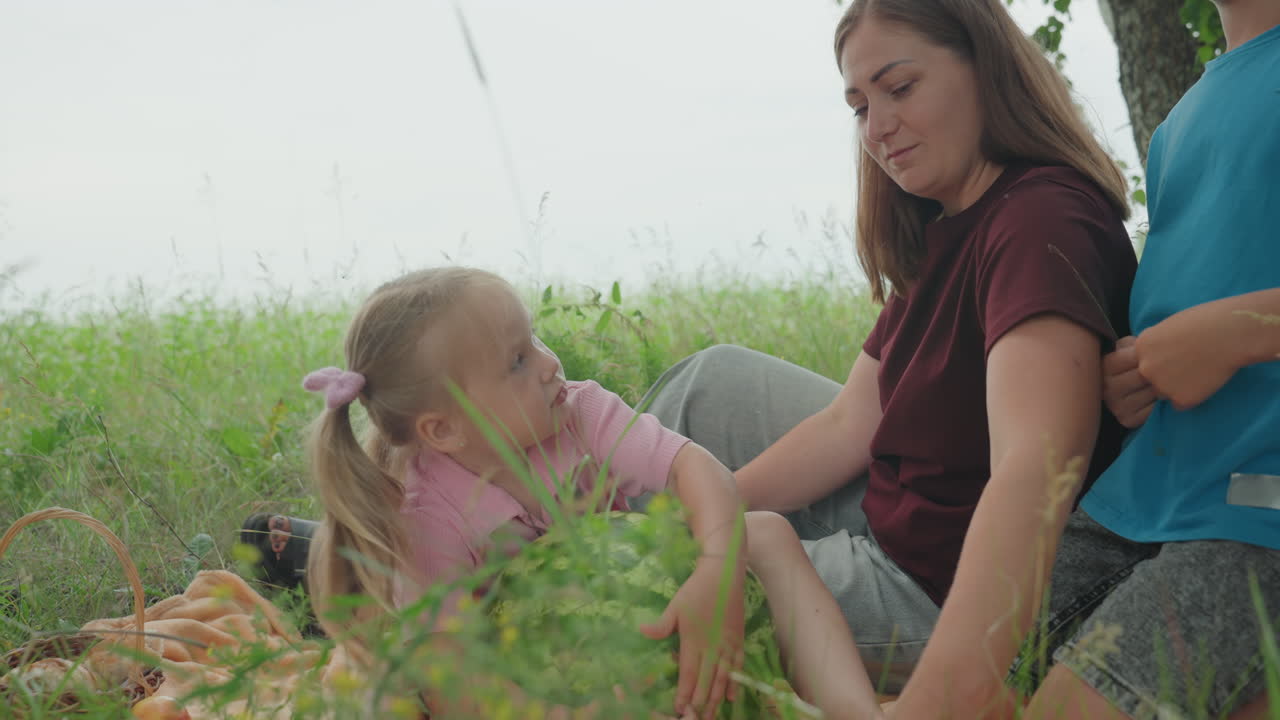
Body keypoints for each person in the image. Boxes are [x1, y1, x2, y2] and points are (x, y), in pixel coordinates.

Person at [638, 0, 1138, 695]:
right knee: (705, 386)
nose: (878, 128)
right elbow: (850, 424)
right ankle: (567, 525)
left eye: (899, 89)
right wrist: (704, 515)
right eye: (860, 106)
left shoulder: (1039, 222)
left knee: (665, 589)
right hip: (896, 504)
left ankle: (566, 581)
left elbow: (1036, 474)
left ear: (984, 67)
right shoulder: (946, 219)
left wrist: (948, 692)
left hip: (942, 584)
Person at [892, 1, 1280, 717]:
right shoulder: (1180, 122)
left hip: (1256, 514)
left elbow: (1227, 328)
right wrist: (1134, 372)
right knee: (961, 685)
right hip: (1137, 502)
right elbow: (1186, 308)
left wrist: (1237, 331)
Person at [290, 267, 883, 720]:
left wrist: (715, 570)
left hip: (621, 601)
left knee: (768, 533)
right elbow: (453, 676)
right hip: (515, 666)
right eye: (517, 361)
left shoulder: (577, 409)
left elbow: (697, 471)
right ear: (443, 429)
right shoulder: (429, 520)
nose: (550, 365)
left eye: (535, 341)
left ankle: (858, 712)